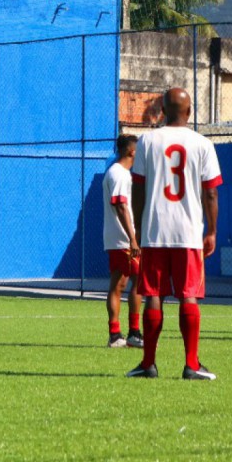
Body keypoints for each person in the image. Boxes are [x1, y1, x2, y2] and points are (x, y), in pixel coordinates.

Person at [125, 88, 222, 381]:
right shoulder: (203, 144)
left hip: (155, 230)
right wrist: (213, 231)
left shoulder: (148, 141)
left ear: (163, 111)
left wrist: (139, 226)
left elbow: (138, 187)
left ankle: (148, 363)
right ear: (190, 112)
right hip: (189, 232)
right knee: (188, 295)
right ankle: (191, 364)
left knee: (153, 295)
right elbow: (211, 192)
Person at [102, 134, 144, 349]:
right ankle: (126, 333)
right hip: (123, 240)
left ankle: (120, 334)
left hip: (121, 239)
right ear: (131, 152)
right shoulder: (118, 174)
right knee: (126, 284)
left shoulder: (121, 173)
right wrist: (133, 239)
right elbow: (120, 206)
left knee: (127, 283)